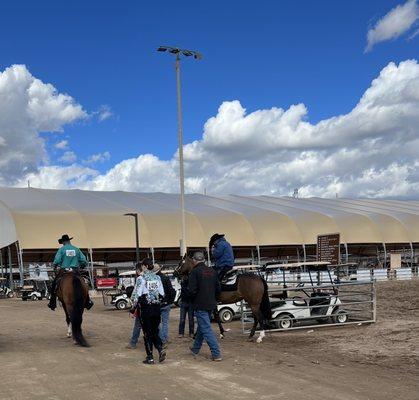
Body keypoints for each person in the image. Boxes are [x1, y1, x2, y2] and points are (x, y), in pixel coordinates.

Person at [188, 251, 222, 361]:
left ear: (194, 260)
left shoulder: (194, 272)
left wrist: (192, 301)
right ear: (203, 259)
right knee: (202, 327)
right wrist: (214, 300)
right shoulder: (212, 271)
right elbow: (218, 289)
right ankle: (195, 348)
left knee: (206, 329)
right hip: (211, 304)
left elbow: (192, 291)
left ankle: (216, 353)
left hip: (200, 304)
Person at [131, 259, 166, 365]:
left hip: (146, 308)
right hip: (156, 308)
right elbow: (162, 293)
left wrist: (133, 305)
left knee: (147, 333)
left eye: (142, 266)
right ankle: (160, 349)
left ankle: (150, 357)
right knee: (154, 330)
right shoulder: (158, 277)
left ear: (145, 266)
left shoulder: (141, 278)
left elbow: (135, 295)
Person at [48, 234, 94, 311]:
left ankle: (52, 303)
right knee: (83, 283)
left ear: (63, 242)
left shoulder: (61, 250)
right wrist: (82, 265)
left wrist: (55, 265)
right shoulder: (76, 249)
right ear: (69, 241)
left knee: (54, 284)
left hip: (64, 271)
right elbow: (84, 261)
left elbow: (57, 260)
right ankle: (88, 301)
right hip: (75, 270)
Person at [156, 263, 176, 347]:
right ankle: (164, 338)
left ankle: (162, 339)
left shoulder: (152, 279)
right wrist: (170, 301)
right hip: (166, 303)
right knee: (165, 323)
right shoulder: (165, 278)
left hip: (156, 304)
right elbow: (171, 291)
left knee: (157, 323)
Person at [126, 264, 143, 349]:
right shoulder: (153, 277)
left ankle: (133, 343)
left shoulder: (140, 278)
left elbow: (137, 293)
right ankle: (161, 341)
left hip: (141, 304)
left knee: (137, 325)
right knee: (154, 324)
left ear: (138, 270)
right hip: (152, 304)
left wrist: (134, 306)